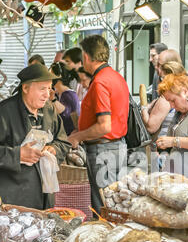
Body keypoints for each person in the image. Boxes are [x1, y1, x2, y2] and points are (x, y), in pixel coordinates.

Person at [67, 35, 129, 215]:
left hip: (104, 150)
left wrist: (76, 137)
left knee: (104, 207)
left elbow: (104, 126)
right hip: (116, 147)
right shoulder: (116, 77)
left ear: (86, 57)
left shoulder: (100, 81)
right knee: (114, 205)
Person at [0, 63, 71, 209]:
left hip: (45, 193)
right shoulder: (5, 112)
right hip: (14, 198)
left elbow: (63, 141)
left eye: (49, 88)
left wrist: (54, 149)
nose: (48, 94)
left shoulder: (49, 110)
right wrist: (17, 155)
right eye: (42, 89)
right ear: (25, 88)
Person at [50, 62, 80, 135]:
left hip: (70, 139)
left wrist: (53, 99)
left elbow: (66, 114)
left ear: (59, 77)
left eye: (51, 75)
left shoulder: (69, 95)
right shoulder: (59, 94)